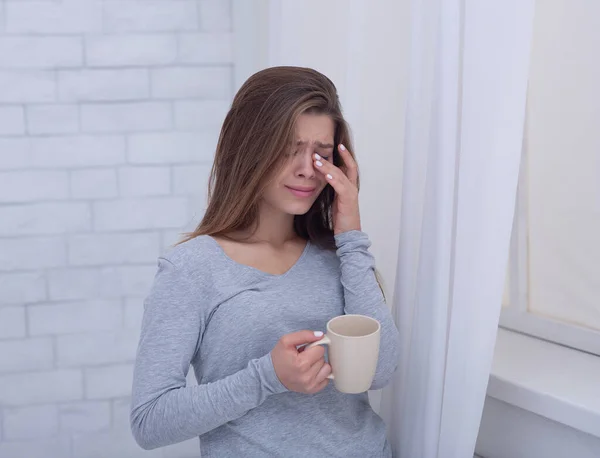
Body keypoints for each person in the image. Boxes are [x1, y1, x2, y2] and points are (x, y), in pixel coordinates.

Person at [130, 66, 400, 457]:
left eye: (321, 154)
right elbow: (149, 422)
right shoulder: (191, 269)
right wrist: (266, 378)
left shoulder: (342, 257)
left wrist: (351, 236)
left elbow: (381, 371)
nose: (308, 169)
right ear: (249, 147)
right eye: (289, 150)